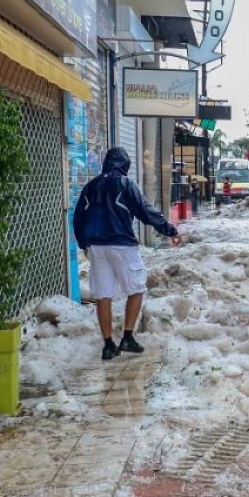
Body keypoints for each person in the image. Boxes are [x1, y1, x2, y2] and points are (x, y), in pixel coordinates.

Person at [73, 147, 182, 360]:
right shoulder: (125, 184)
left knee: (103, 295)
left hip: (96, 248)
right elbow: (145, 211)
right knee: (136, 288)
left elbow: (78, 219)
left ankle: (108, 344)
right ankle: (127, 337)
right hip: (122, 245)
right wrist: (170, 230)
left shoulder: (90, 187)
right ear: (125, 165)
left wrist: (84, 244)